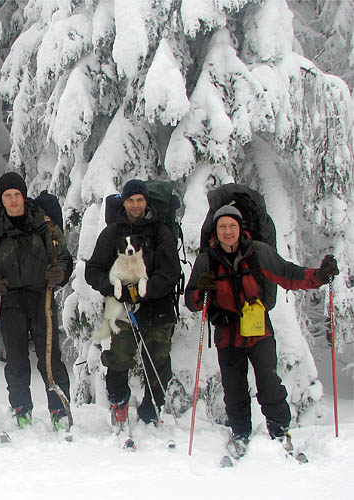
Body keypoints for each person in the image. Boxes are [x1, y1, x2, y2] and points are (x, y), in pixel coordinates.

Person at [185, 204, 339, 456]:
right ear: (216, 230)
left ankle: (279, 431)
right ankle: (240, 434)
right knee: (233, 388)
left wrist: (320, 276)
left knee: (269, 382)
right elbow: (191, 302)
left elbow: (288, 274)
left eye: (232, 226)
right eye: (222, 227)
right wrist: (201, 290)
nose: (227, 231)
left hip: (259, 331)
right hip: (227, 333)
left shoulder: (258, 253)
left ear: (240, 228)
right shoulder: (207, 260)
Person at [0, 172, 72, 430]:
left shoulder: (44, 224)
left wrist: (60, 272)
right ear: (2, 199)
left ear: (24, 195)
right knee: (16, 360)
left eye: (17, 194)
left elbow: (63, 256)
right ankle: (21, 409)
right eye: (8, 195)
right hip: (11, 301)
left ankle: (59, 410)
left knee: (50, 358)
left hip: (42, 299)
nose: (14, 200)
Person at [85, 179, 181, 427]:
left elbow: (170, 272)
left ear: (146, 201)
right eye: (130, 200)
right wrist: (112, 289)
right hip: (124, 308)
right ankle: (118, 404)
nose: (135, 205)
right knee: (119, 356)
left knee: (158, 359)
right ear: (124, 203)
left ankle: (152, 408)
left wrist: (143, 290)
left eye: (139, 200)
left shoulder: (161, 232)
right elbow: (93, 270)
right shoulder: (112, 233)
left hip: (157, 306)